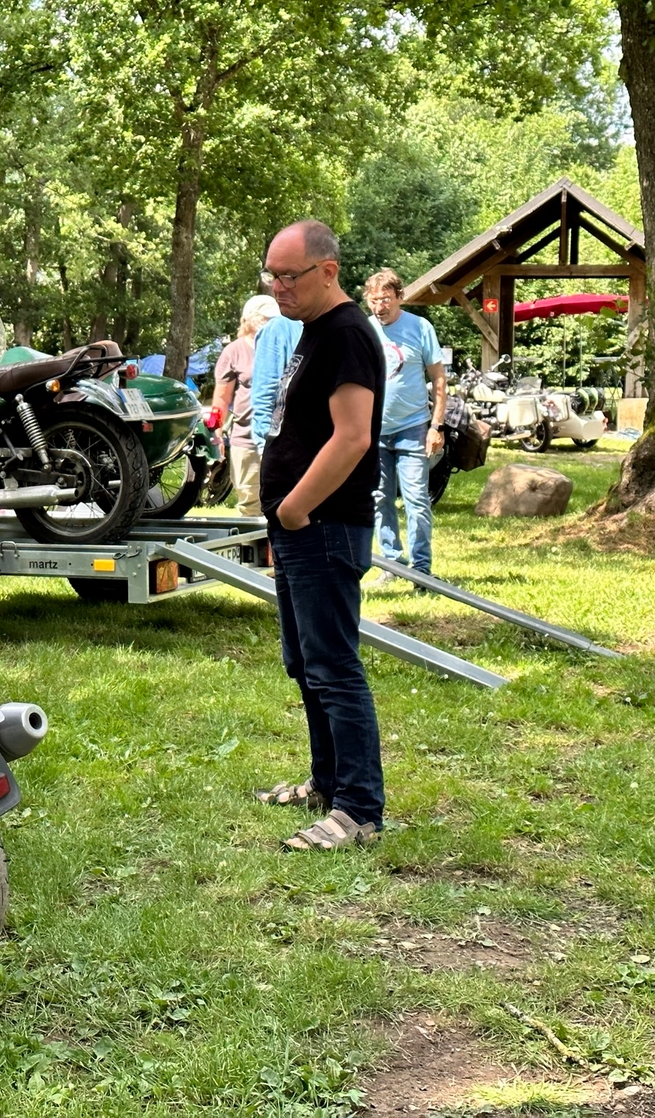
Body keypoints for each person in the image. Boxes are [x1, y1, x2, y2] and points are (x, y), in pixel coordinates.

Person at [251, 219, 386, 851]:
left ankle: (358, 810)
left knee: (333, 668)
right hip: (301, 530)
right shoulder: (313, 330)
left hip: (324, 526)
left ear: (327, 271)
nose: (278, 287)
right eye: (271, 276)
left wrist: (295, 510)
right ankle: (327, 783)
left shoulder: (348, 333)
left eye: (289, 276)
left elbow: (353, 437)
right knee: (307, 665)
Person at [364, 269, 446, 580]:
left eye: (386, 299)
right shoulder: (365, 330)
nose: (380, 306)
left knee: (416, 500)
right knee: (380, 499)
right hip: (374, 430)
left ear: (400, 297)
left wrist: (436, 426)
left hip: (413, 427)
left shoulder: (420, 327)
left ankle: (421, 569)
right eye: (374, 300)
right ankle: (392, 565)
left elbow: (439, 379)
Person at [211, 295, 278, 516]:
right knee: (251, 507)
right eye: (266, 319)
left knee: (283, 504)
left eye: (274, 319)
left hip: (282, 439)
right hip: (246, 439)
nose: (271, 324)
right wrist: (217, 433)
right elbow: (221, 399)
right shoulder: (234, 351)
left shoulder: (283, 346)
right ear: (249, 319)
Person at [249, 294, 302, 459]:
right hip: (288, 448)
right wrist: (265, 445)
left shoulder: (332, 325)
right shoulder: (278, 329)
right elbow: (265, 393)